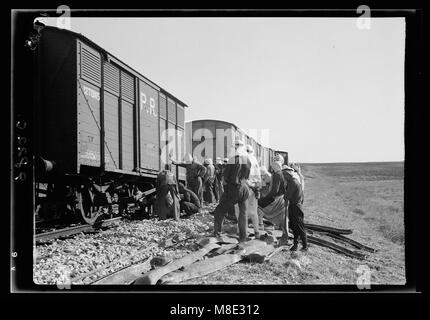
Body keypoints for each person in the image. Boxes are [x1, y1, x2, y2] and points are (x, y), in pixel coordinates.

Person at [213, 139, 251, 242]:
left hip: (234, 189)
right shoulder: (247, 160)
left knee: (219, 211)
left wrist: (226, 190)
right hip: (244, 189)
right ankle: (243, 237)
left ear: (234, 148)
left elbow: (225, 178)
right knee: (243, 213)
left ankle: (217, 234)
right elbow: (247, 176)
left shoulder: (232, 159)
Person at [259, 161, 292, 243]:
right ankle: (284, 232)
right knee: (283, 218)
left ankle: (260, 225)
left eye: (273, 167)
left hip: (276, 198)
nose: (272, 168)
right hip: (282, 198)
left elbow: (275, 190)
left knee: (259, 206)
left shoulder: (277, 175)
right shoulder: (282, 174)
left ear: (276, 166)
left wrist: (267, 197)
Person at [282, 165, 308, 251]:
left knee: (300, 227)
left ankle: (305, 246)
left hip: (296, 207)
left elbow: (287, 196)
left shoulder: (293, 182)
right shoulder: (292, 181)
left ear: (289, 175)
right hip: (294, 205)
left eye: (285, 175)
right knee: (294, 227)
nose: (284, 177)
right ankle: (295, 245)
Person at [245, 144, 262, 239]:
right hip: (254, 188)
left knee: (243, 211)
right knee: (253, 212)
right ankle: (257, 232)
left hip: (247, 188)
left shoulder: (245, 161)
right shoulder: (255, 161)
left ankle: (244, 232)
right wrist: (257, 189)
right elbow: (258, 177)